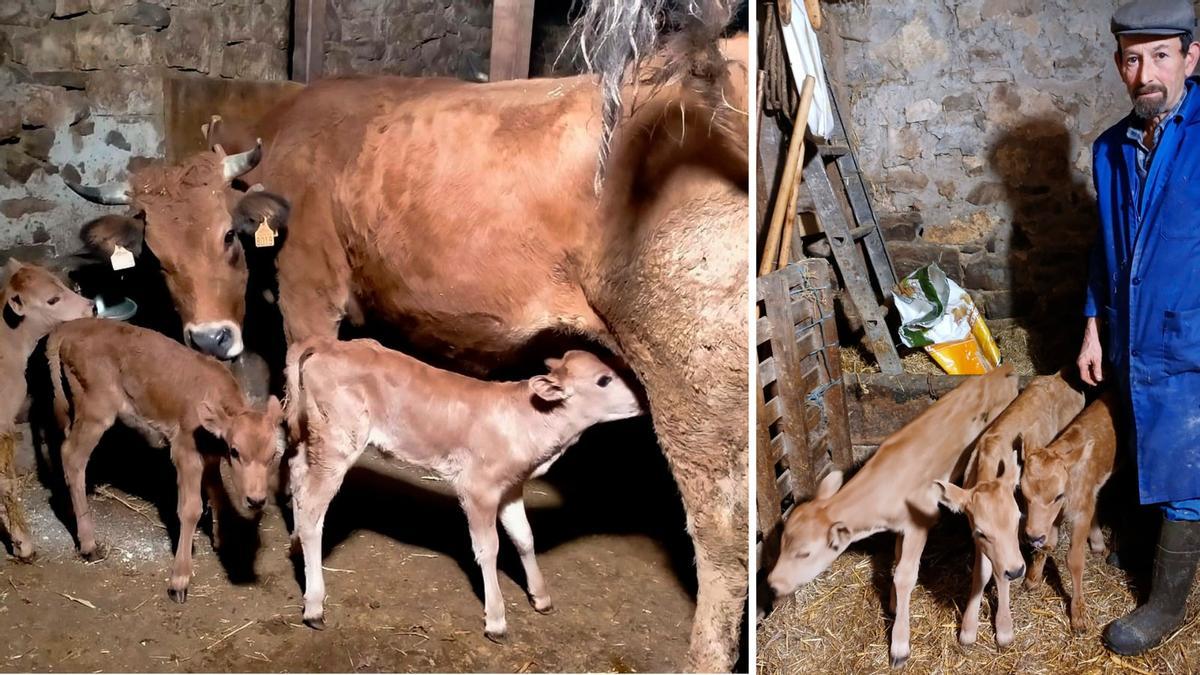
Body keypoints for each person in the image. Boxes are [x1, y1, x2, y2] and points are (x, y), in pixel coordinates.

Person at [1079, 0, 1200, 655]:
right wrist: (1094, 324)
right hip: (1135, 336)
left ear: (1191, 56)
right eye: (1132, 57)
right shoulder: (1109, 148)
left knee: (1185, 471)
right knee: (1157, 454)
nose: (1145, 71)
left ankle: (1166, 606)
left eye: (1160, 54)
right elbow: (1105, 246)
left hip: (1193, 337)